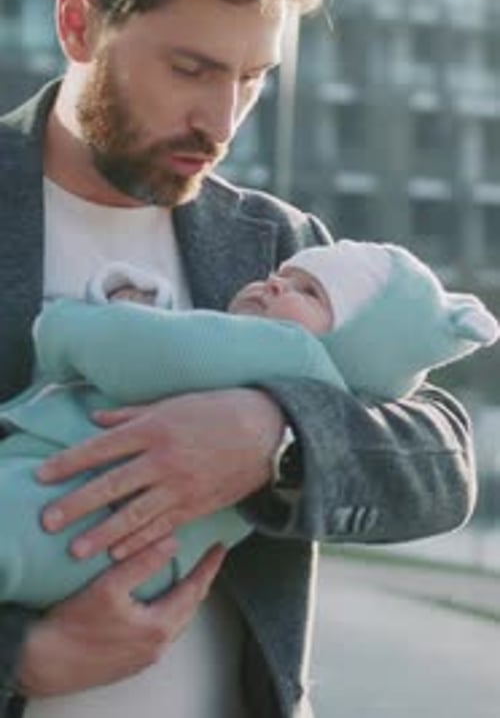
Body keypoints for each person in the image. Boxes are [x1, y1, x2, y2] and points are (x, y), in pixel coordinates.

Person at [0, 0, 477, 718]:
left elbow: (442, 456)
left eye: (252, 79)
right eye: (191, 69)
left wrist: (274, 436)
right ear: (78, 22)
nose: (221, 123)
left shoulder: (280, 243)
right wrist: (25, 660)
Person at [0, 243, 497, 609]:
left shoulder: (287, 348)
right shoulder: (281, 349)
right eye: (281, 274)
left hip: (77, 511)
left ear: (354, 348)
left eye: (309, 291)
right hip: (110, 532)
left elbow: (145, 351)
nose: (275, 283)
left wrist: (65, 325)